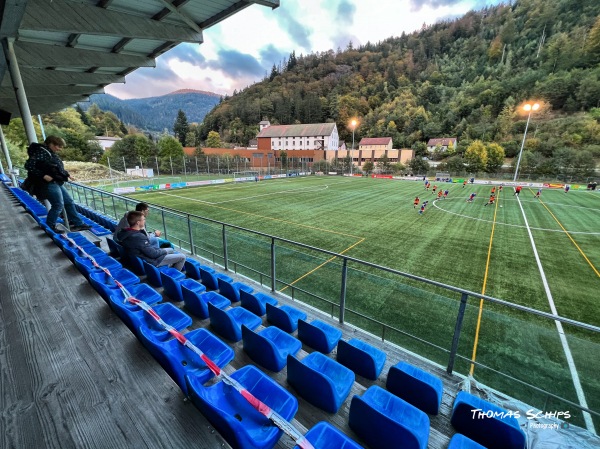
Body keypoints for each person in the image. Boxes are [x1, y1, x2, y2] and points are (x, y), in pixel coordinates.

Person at [24, 136, 92, 233]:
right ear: (51, 144)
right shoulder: (41, 152)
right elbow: (28, 165)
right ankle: (50, 226)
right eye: (58, 146)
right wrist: (43, 175)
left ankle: (78, 223)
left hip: (57, 182)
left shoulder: (50, 153)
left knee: (69, 201)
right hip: (49, 184)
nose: (60, 149)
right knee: (58, 205)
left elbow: (56, 167)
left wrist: (67, 175)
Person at [117, 211, 185, 271]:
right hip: (151, 261)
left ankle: (168, 266)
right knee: (182, 257)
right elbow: (153, 254)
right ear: (138, 222)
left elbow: (147, 248)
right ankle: (173, 274)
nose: (144, 221)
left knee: (171, 250)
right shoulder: (138, 237)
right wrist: (163, 251)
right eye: (143, 219)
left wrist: (161, 250)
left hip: (141, 257)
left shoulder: (124, 233)